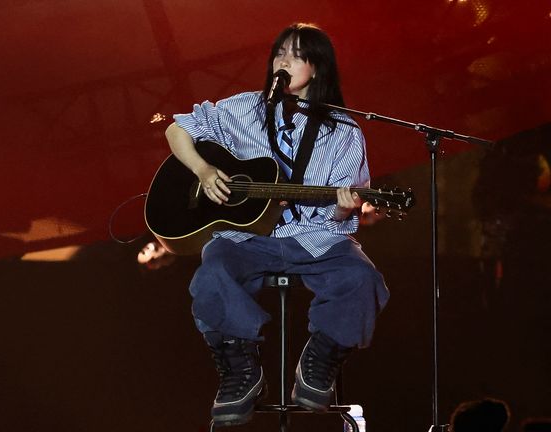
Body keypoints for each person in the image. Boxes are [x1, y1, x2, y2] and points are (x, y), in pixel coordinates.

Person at [165, 23, 389, 427]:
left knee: (361, 277)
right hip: (249, 236)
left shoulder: (344, 130)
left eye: (296, 55)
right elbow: (177, 128)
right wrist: (202, 169)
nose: (283, 61)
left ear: (317, 68)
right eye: (279, 53)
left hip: (314, 237)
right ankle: (240, 369)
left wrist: (343, 207)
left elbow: (338, 215)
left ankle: (320, 360)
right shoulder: (243, 108)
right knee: (214, 266)